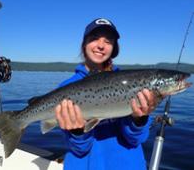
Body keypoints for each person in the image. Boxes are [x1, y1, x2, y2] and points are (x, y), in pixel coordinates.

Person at [55, 18, 156, 170]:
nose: (101, 45)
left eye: (108, 41)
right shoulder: (66, 89)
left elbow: (136, 139)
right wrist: (77, 132)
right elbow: (79, 149)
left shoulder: (135, 84)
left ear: (114, 49)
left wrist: (139, 120)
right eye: (94, 39)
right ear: (84, 45)